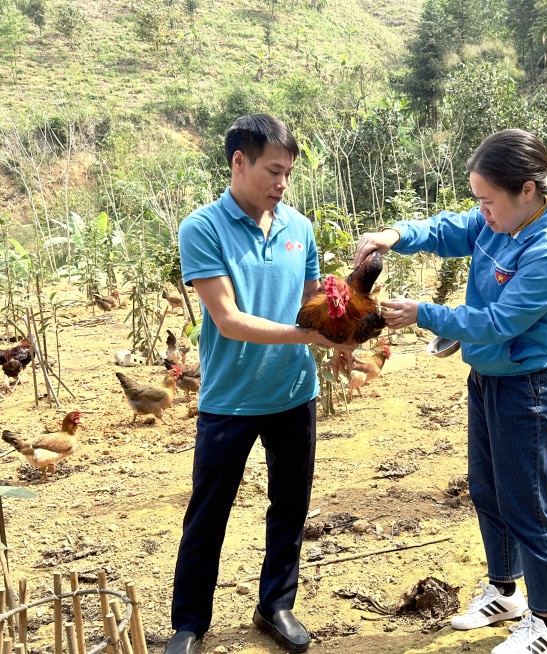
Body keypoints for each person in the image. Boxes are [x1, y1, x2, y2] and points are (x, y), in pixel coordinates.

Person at [353, 128, 547, 654]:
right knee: (488, 490)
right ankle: (504, 592)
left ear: (528, 190)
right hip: (488, 378)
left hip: (529, 386)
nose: (482, 211)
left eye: (488, 200)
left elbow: (500, 321)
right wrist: (396, 234)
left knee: (528, 503)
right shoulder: (498, 221)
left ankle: (546, 623)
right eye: (477, 200)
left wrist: (424, 314)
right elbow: (447, 230)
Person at [165, 114, 350, 654]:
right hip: (231, 397)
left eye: (289, 173)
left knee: (290, 507)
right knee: (209, 512)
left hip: (294, 394)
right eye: (273, 170)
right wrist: (307, 337)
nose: (282, 183)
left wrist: (336, 332)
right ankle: (190, 622)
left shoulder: (299, 228)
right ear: (238, 163)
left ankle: (275, 605)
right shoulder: (202, 228)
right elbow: (228, 319)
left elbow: (311, 306)